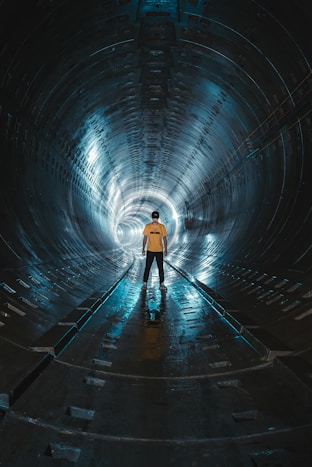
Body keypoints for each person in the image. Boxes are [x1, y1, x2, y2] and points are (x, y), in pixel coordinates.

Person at [142, 211, 167, 290]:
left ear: (158, 218)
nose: (155, 220)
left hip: (159, 250)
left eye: (156, 218)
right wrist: (143, 248)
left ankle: (162, 284)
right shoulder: (148, 226)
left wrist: (165, 249)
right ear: (152, 218)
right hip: (150, 250)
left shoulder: (162, 227)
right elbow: (145, 237)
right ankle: (145, 284)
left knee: (161, 268)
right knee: (147, 267)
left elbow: (164, 238)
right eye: (154, 218)